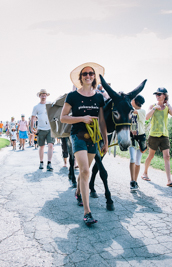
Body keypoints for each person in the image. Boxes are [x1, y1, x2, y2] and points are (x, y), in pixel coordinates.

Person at [60, 62, 108, 225]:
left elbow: (102, 121)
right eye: (85, 74)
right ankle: (87, 212)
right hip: (78, 135)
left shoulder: (99, 97)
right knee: (86, 170)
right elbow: (63, 117)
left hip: (93, 138)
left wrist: (105, 141)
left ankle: (78, 191)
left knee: (84, 171)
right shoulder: (72, 96)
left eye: (91, 74)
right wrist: (82, 118)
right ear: (80, 78)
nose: (88, 76)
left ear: (95, 77)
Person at [141, 87, 172, 187]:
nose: (157, 96)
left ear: (165, 96)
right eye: (156, 94)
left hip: (164, 135)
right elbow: (146, 117)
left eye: (160, 94)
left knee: (167, 157)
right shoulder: (152, 106)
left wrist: (168, 104)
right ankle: (144, 173)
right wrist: (154, 108)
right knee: (151, 156)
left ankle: (169, 180)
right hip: (153, 135)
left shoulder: (167, 108)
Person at [31, 89, 54, 171]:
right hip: (40, 129)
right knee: (41, 146)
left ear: (47, 95)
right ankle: (41, 162)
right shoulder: (36, 107)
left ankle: (49, 163)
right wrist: (31, 128)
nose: (43, 96)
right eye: (42, 94)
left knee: (50, 145)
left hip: (50, 128)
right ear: (39, 96)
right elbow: (33, 118)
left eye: (45, 94)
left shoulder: (50, 104)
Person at [128, 95, 147, 191]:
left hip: (141, 138)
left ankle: (135, 181)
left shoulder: (142, 111)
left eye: (132, 100)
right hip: (132, 138)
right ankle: (132, 181)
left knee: (137, 161)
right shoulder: (130, 111)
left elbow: (134, 111)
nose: (131, 101)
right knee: (132, 158)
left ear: (136, 102)